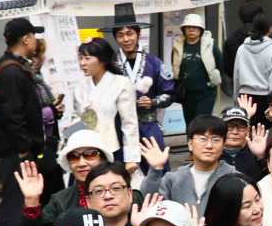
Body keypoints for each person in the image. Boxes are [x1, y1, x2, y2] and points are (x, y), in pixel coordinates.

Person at [0, 19, 48, 226]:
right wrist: (24, 149)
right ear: (25, 39)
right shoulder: (11, 71)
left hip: (16, 149)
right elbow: (13, 114)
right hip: (15, 151)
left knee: (20, 199)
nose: (35, 41)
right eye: (33, 36)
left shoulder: (14, 67)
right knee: (14, 200)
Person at [142, 116, 245, 209]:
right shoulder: (173, 179)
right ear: (190, 144)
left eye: (215, 140)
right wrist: (155, 170)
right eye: (202, 139)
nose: (209, 145)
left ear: (223, 145)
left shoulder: (235, 178)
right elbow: (150, 205)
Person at [73, 37, 138, 177]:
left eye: (87, 58)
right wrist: (68, 136)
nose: (82, 63)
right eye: (81, 58)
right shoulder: (80, 86)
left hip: (111, 147)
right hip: (84, 150)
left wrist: (131, 158)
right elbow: (77, 118)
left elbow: (129, 122)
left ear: (102, 60)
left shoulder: (121, 83)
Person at [113, 20, 175, 153]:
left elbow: (170, 94)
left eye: (130, 34)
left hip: (148, 125)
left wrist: (152, 102)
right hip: (119, 126)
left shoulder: (154, 62)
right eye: (120, 35)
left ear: (139, 34)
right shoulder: (111, 65)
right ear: (115, 38)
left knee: (157, 165)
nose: (126, 39)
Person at [167, 13, 221, 122]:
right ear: (184, 29)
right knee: (190, 124)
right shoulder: (178, 44)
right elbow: (174, 63)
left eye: (195, 27)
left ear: (200, 29)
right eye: (188, 26)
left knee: (201, 123)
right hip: (186, 93)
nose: (191, 29)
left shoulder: (210, 44)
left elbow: (220, 64)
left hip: (206, 92)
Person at [233, 14, 272, 99]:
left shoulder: (241, 49)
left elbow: (236, 76)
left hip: (244, 97)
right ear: (270, 28)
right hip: (266, 96)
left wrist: (236, 99)